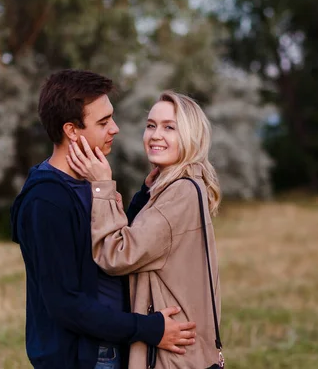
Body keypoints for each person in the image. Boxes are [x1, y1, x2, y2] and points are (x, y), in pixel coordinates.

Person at [10, 71, 197, 369]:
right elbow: (65, 304)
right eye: (103, 122)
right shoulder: (46, 201)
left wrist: (142, 197)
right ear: (71, 130)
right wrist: (149, 329)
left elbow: (106, 251)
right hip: (83, 358)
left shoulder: (87, 181)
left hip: (111, 350)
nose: (116, 128)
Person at [67, 91, 222, 368]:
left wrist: (101, 186)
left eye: (169, 127)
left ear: (191, 136)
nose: (155, 135)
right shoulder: (185, 186)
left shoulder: (179, 194)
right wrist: (142, 196)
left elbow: (116, 255)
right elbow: (148, 244)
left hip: (170, 356)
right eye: (151, 125)